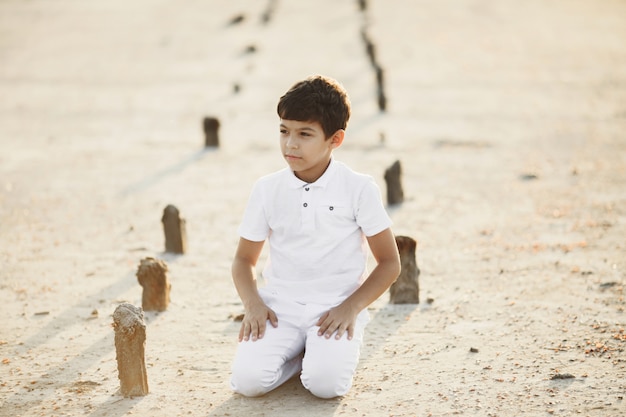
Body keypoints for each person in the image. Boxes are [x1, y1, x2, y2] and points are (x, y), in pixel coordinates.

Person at [230, 75, 401, 399]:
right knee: (248, 383)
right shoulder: (267, 189)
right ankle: (299, 355)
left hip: (335, 308)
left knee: (326, 387)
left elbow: (390, 263)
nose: (290, 144)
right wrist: (253, 305)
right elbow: (243, 260)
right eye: (284, 131)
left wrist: (350, 308)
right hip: (280, 305)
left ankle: (319, 354)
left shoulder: (359, 188)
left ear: (335, 139)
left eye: (304, 134)